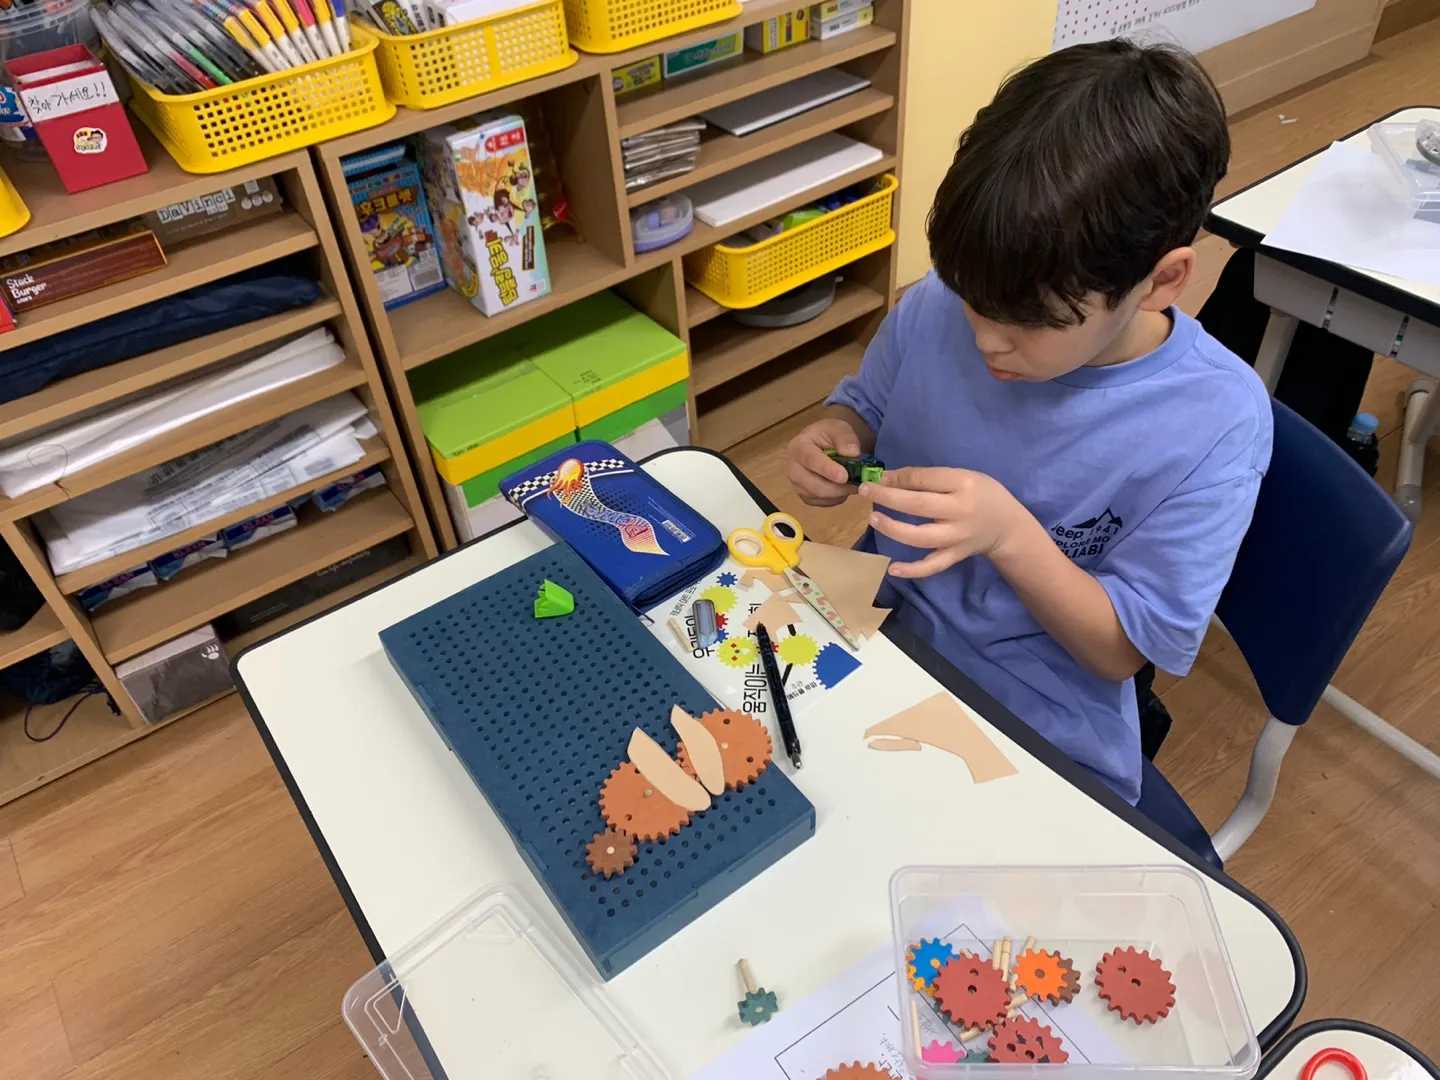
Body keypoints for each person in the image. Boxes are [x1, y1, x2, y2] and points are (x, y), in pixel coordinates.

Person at [787, 40, 1273, 804]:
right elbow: (866, 411)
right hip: (876, 617)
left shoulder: (1214, 422)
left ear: (1161, 282)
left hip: (1032, 703)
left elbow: (1120, 652)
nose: (986, 340)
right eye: (972, 301)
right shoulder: (943, 303)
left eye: (1032, 320)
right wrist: (837, 437)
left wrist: (1010, 536)